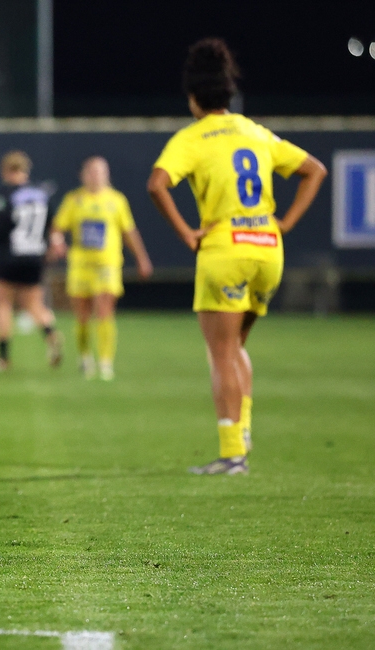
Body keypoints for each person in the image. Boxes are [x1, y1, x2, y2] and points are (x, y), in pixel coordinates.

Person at [147, 38, 327, 474]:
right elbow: (314, 170)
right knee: (236, 347)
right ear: (229, 94)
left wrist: (188, 233)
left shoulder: (192, 138)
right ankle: (242, 435)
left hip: (225, 249)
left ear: (193, 98)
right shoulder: (255, 132)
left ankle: (232, 453)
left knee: (221, 353)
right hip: (267, 249)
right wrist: (284, 223)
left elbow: (157, 184)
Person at [50, 156, 153, 380]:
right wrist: (57, 242)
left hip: (107, 264)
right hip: (81, 265)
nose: (96, 176)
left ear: (107, 175)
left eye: (101, 171)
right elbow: (57, 227)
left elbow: (129, 232)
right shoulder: (74, 200)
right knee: (82, 315)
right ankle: (85, 358)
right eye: (92, 171)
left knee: (105, 310)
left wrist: (142, 258)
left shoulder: (116, 201)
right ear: (84, 175)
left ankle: (106, 362)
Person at [0, 150, 63, 372]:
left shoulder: (6, 194)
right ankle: (51, 333)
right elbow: (51, 226)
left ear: (7, 171)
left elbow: (1, 227)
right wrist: (53, 245)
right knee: (34, 304)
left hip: (9, 255)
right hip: (34, 256)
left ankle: (3, 358)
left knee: (3, 303)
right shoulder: (42, 195)